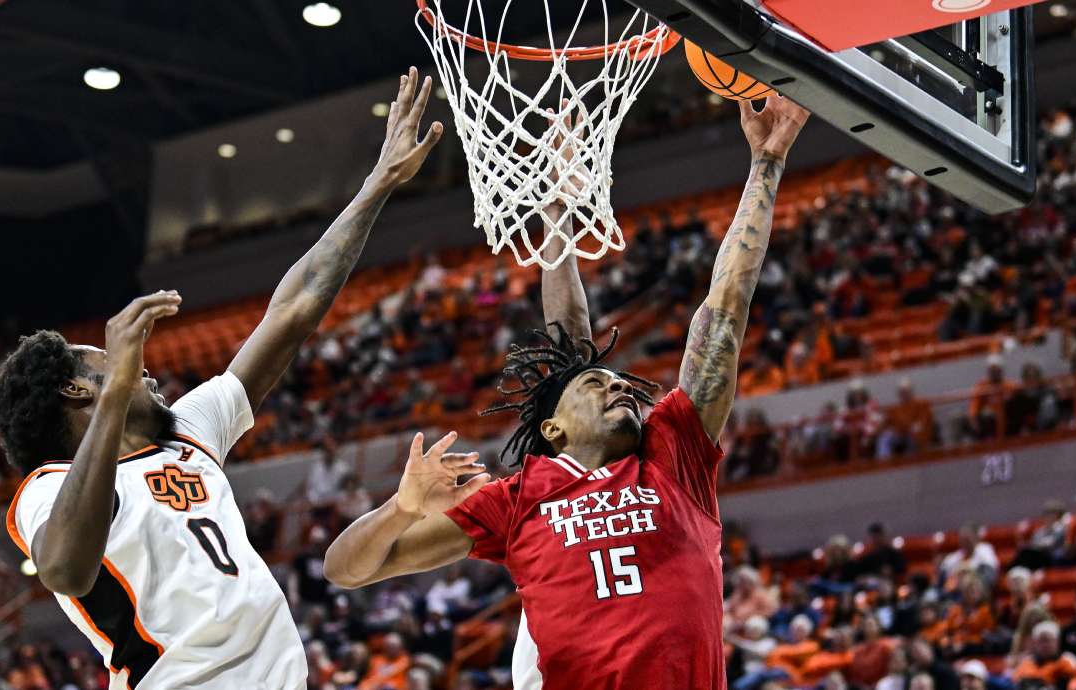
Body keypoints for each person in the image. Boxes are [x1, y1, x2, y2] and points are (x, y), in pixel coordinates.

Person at [324, 96, 811, 690]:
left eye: (622, 384)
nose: (620, 389)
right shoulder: (516, 498)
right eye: (597, 383)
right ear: (553, 429)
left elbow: (723, 315)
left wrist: (766, 163)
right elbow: (345, 569)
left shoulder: (671, 453)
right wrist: (399, 508)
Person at [0, 68, 444, 690]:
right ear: (78, 390)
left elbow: (292, 311)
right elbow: (65, 570)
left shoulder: (188, 431)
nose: (143, 373)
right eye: (110, 366)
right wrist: (119, 391)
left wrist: (377, 185)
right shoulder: (48, 489)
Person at [1011, 621, 1076, 688]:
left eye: (1048, 640)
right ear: (1035, 643)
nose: (1044, 645)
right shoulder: (1027, 662)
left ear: (1057, 641)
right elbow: (1015, 681)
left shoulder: (1068, 660)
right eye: (1041, 641)